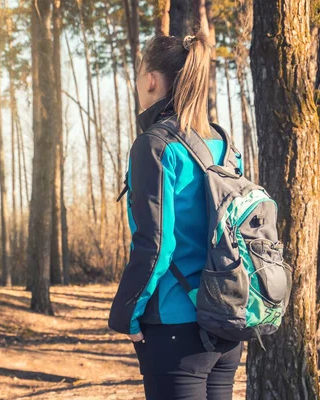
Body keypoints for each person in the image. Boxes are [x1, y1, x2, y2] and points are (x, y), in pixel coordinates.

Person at [108, 32, 244, 400]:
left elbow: (156, 245)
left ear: (151, 80)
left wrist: (127, 315)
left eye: (139, 74)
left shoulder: (154, 145)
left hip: (176, 328)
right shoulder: (224, 144)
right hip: (226, 323)